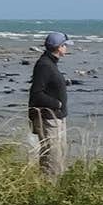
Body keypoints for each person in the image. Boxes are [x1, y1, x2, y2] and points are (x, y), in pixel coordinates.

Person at [28, 31, 70, 174]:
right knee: (51, 159)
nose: (66, 48)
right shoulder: (44, 65)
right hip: (48, 118)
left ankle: (55, 189)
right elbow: (36, 94)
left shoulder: (51, 63)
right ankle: (48, 190)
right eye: (64, 45)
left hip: (56, 117)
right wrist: (57, 104)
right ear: (59, 47)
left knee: (59, 157)